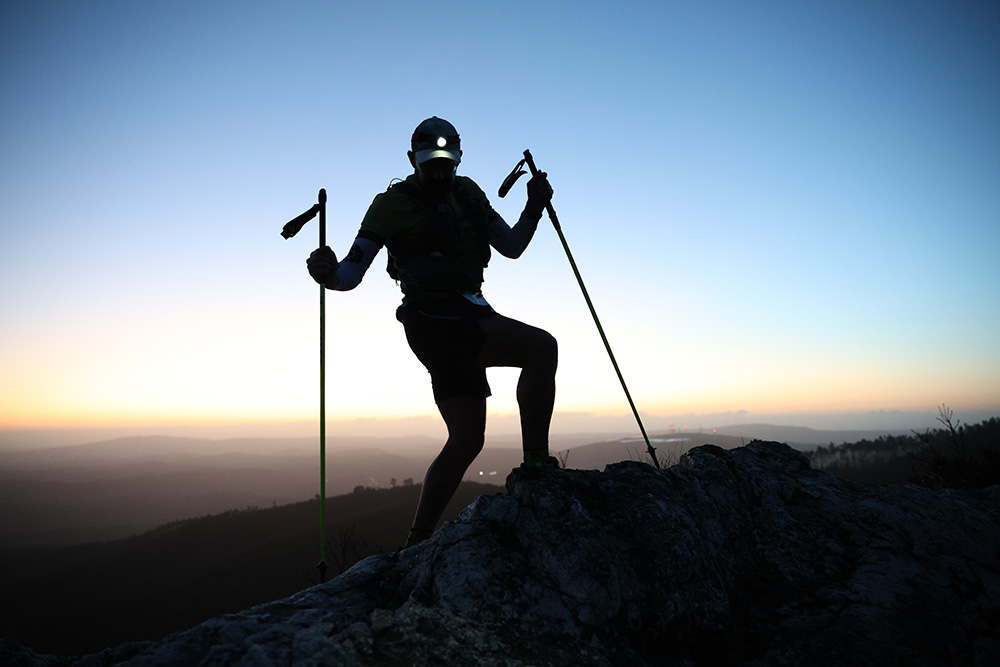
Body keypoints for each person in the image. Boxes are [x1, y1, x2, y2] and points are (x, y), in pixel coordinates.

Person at [307, 117, 557, 547]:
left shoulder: (469, 193)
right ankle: (536, 466)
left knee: (466, 442)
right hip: (436, 320)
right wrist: (329, 275)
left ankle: (416, 542)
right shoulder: (391, 205)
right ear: (412, 161)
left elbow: (512, 246)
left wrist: (533, 207)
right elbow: (353, 269)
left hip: (458, 316)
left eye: (447, 161)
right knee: (541, 348)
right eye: (430, 163)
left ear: (458, 158)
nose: (440, 170)